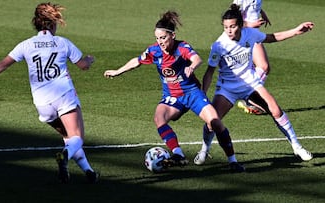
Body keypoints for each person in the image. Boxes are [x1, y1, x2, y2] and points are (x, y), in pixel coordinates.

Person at [0, 2, 99, 183]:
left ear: (37, 24)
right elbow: (83, 66)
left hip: (42, 103)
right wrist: (89, 59)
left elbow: (3, 64)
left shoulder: (26, 45)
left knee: (67, 137)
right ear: (53, 23)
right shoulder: (62, 43)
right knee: (77, 137)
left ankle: (89, 172)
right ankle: (64, 157)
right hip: (63, 95)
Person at [104, 10, 245, 172]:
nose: (160, 42)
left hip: (192, 93)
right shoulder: (154, 51)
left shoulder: (182, 47)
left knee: (215, 122)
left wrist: (192, 67)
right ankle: (178, 154)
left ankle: (233, 161)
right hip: (172, 96)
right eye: (157, 38)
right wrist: (117, 71)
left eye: (163, 38)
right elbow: (137, 61)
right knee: (159, 118)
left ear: (172, 35)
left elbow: (196, 58)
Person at [193, 4, 313, 166]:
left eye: (233, 26)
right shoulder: (219, 45)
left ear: (241, 25)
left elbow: (272, 37)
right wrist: (203, 95)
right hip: (228, 88)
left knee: (275, 110)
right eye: (226, 27)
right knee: (212, 122)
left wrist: (296, 31)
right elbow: (209, 72)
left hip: (250, 83)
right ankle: (204, 150)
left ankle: (297, 147)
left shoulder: (250, 34)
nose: (229, 30)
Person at [233, 0, 271, 114]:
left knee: (262, 68)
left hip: (253, 33)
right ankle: (247, 94)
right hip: (246, 34)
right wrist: (250, 24)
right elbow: (233, 19)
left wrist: (262, 13)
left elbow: (252, 7)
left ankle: (248, 96)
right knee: (263, 66)